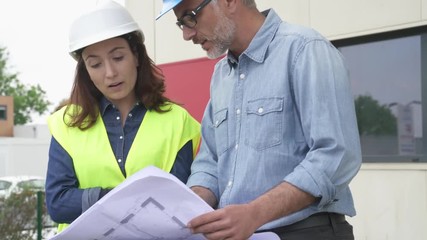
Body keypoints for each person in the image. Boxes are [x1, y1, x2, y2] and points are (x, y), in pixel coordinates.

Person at [156, 0, 362, 239]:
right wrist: (191, 208)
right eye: (181, 23)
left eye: (190, 18)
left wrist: (255, 214)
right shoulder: (222, 75)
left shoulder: (305, 49)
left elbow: (336, 155)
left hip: (307, 231)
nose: (186, 34)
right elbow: (210, 161)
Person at [45, 0, 201, 233]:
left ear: (136, 55)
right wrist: (123, 199)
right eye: (95, 64)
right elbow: (58, 204)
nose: (110, 73)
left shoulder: (179, 122)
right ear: (85, 70)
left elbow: (179, 204)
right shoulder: (65, 125)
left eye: (118, 58)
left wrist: (96, 200)